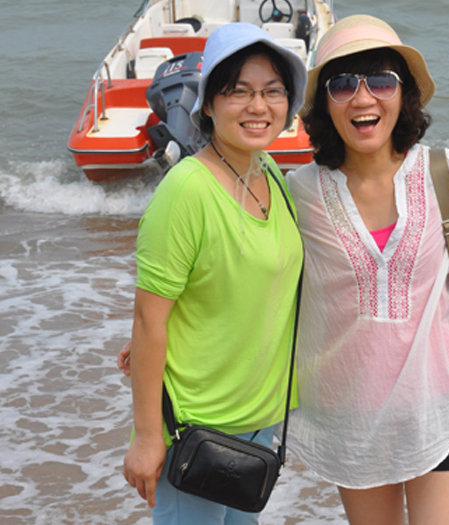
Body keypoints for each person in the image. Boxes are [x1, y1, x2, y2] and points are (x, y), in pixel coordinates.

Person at [284, 15, 449, 524]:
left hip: (439, 406)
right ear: (325, 104)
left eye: (381, 81)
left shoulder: (442, 171)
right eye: (343, 84)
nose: (363, 98)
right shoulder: (300, 191)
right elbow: (261, 283)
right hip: (349, 416)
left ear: (404, 94)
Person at [120, 22, 306, 525]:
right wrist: (147, 437)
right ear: (207, 104)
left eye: (272, 91)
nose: (257, 106)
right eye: (238, 91)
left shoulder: (270, 173)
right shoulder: (187, 190)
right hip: (195, 425)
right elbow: (149, 318)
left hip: (258, 419)